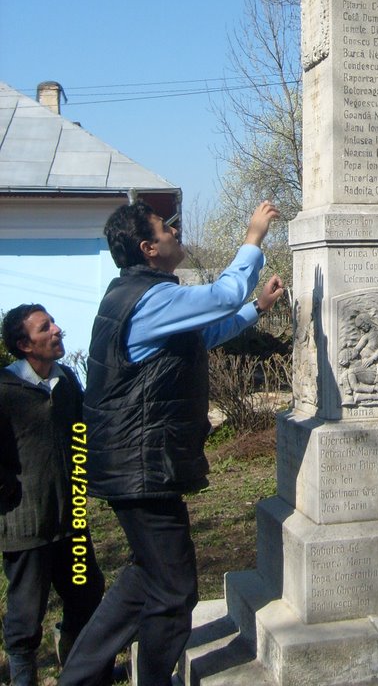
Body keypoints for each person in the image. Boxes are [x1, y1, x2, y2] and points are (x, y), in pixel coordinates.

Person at [58, 200, 284, 686]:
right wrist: (253, 236)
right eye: (165, 228)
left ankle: (79, 674)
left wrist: (257, 308)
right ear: (148, 248)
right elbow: (222, 295)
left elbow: (198, 338)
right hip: (142, 469)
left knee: (146, 576)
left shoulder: (141, 295)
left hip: (138, 466)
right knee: (175, 590)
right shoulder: (148, 299)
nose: (176, 230)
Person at [1, 305, 105, 686]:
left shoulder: (67, 382)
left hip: (71, 521)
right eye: (46, 328)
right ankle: (24, 677)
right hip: (26, 527)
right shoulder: (5, 391)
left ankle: (78, 671)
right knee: (26, 616)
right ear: (24, 345)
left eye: (54, 323)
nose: (58, 330)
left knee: (86, 593)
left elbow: (81, 435)